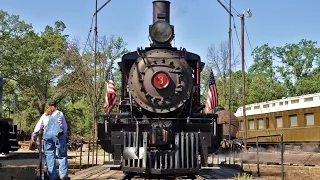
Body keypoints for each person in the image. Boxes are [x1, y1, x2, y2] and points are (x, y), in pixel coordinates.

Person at [31, 100, 69, 180]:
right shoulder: (60, 113)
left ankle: (52, 177)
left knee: (49, 156)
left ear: (48, 106)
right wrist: (64, 136)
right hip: (58, 135)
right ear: (56, 106)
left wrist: (34, 136)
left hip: (47, 136)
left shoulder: (45, 114)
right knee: (62, 155)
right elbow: (64, 126)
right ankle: (63, 176)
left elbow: (38, 127)